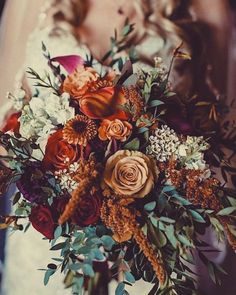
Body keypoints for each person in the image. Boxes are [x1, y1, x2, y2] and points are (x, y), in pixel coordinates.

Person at [0, 1, 233, 294]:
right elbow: (5, 123)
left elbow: (220, 145)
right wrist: (56, 176)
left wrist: (145, 186)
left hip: (147, 251)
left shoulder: (206, 7)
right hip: (49, 243)